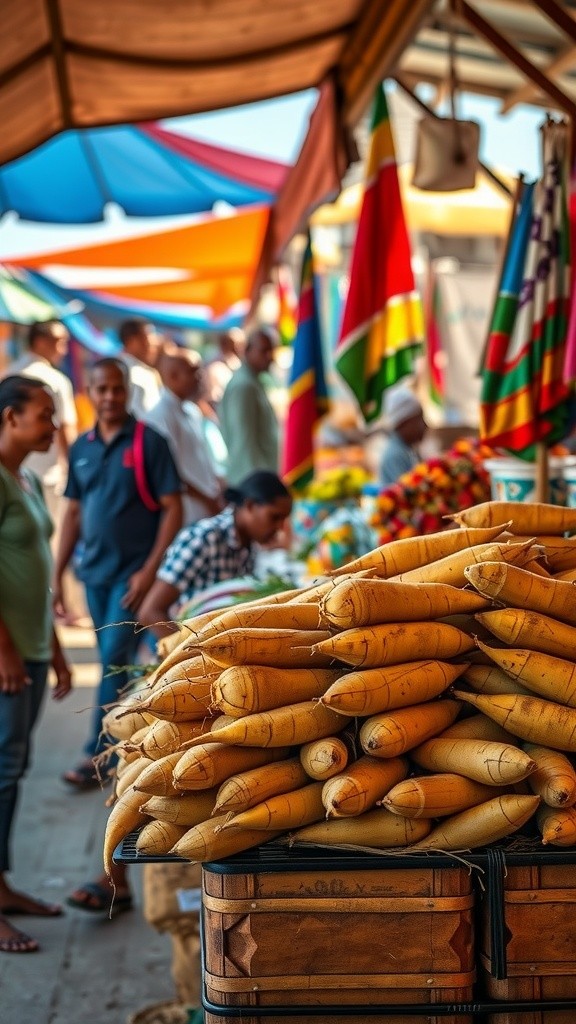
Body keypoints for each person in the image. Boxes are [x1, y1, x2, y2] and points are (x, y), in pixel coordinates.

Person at [52, 358, 182, 792]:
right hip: (95, 576)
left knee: (111, 663)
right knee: (121, 662)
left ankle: (98, 755)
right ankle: (138, 737)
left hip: (132, 579)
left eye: (116, 389)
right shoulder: (84, 446)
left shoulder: (150, 442)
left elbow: (172, 508)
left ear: (127, 391)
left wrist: (149, 572)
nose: (109, 397)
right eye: (100, 389)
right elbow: (72, 512)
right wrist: (58, 573)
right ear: (88, 392)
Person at [0, 376, 72, 953]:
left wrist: (56, 648)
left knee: (12, 772)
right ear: (9, 418)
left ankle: (3, 888)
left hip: (30, 648)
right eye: (44, 415)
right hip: (7, 656)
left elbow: (35, 568)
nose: (53, 425)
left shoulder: (21, 477)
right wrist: (6, 650)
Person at [139, 471, 292, 638]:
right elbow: (150, 612)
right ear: (250, 506)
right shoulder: (203, 539)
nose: (279, 528)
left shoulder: (248, 546)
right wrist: (192, 649)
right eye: (274, 517)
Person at [145, 346, 224, 525]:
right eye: (193, 372)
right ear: (173, 376)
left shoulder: (191, 410)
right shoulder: (159, 416)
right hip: (188, 512)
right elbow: (171, 472)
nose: (200, 378)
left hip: (207, 505)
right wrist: (207, 499)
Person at [219, 327, 279, 486]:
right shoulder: (244, 386)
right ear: (247, 351)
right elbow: (243, 442)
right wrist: (257, 487)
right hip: (252, 481)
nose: (270, 357)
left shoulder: (252, 381)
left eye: (272, 351)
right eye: (264, 351)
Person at [379, 387, 427, 489]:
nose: (425, 425)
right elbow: (408, 494)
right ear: (403, 424)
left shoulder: (409, 449)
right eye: (419, 420)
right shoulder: (395, 455)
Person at [118, 318, 162, 417]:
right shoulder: (130, 373)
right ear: (132, 341)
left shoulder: (144, 371)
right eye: (148, 340)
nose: (153, 345)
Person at [204, 328, 243, 410]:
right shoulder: (215, 369)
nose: (239, 349)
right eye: (235, 345)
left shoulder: (240, 367)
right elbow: (211, 399)